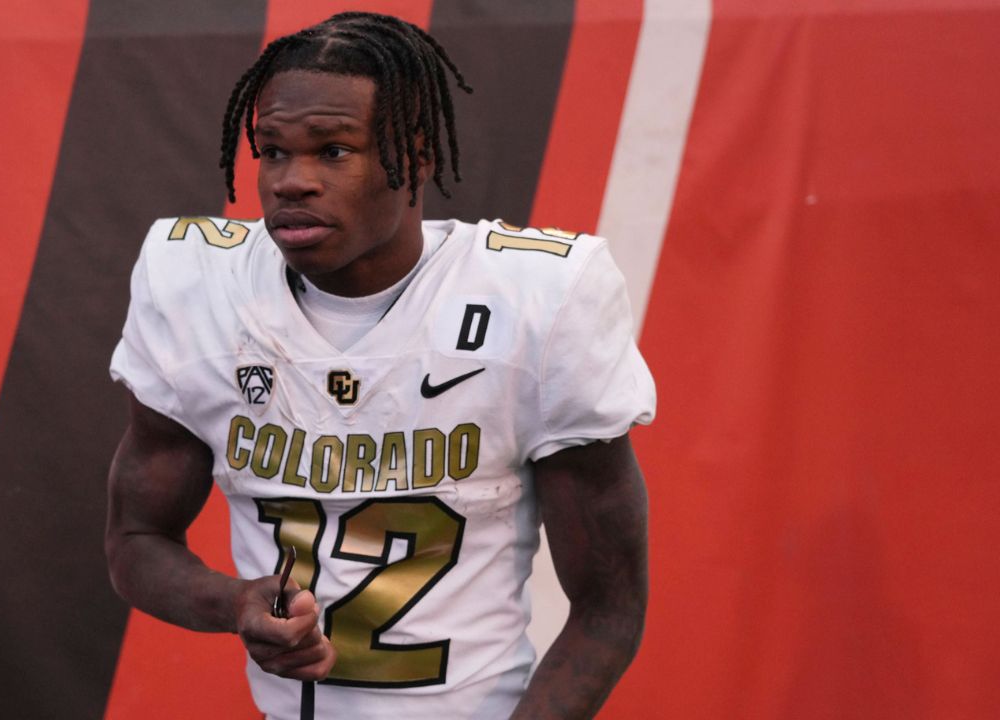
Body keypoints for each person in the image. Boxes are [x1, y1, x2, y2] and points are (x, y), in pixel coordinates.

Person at [106, 12, 655, 719]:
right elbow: (135, 540)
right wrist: (235, 601)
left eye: (333, 151)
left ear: (417, 156)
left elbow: (610, 607)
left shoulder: (540, 299)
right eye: (272, 152)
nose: (290, 183)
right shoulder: (197, 284)